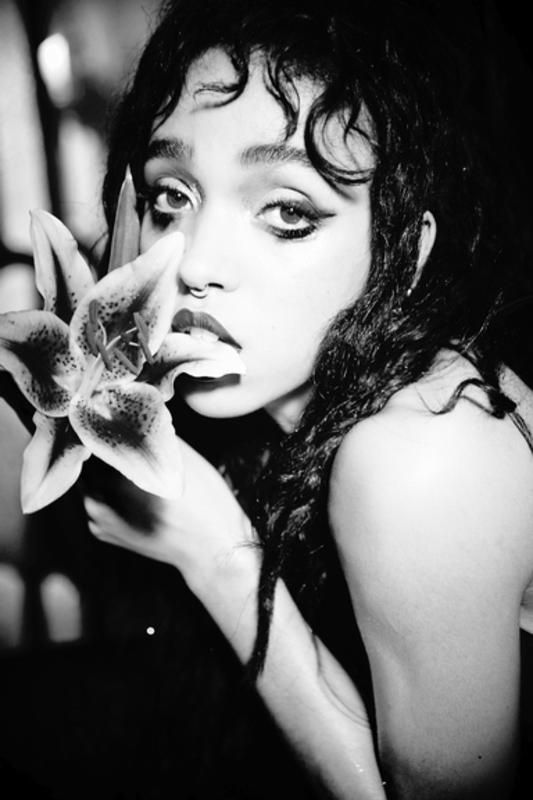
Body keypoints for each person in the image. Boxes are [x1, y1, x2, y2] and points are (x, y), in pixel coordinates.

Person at [4, 0, 533, 797]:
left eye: (287, 211)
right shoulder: (267, 408)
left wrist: (211, 551)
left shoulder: (424, 452)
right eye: (171, 197)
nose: (189, 260)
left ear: (407, 249)